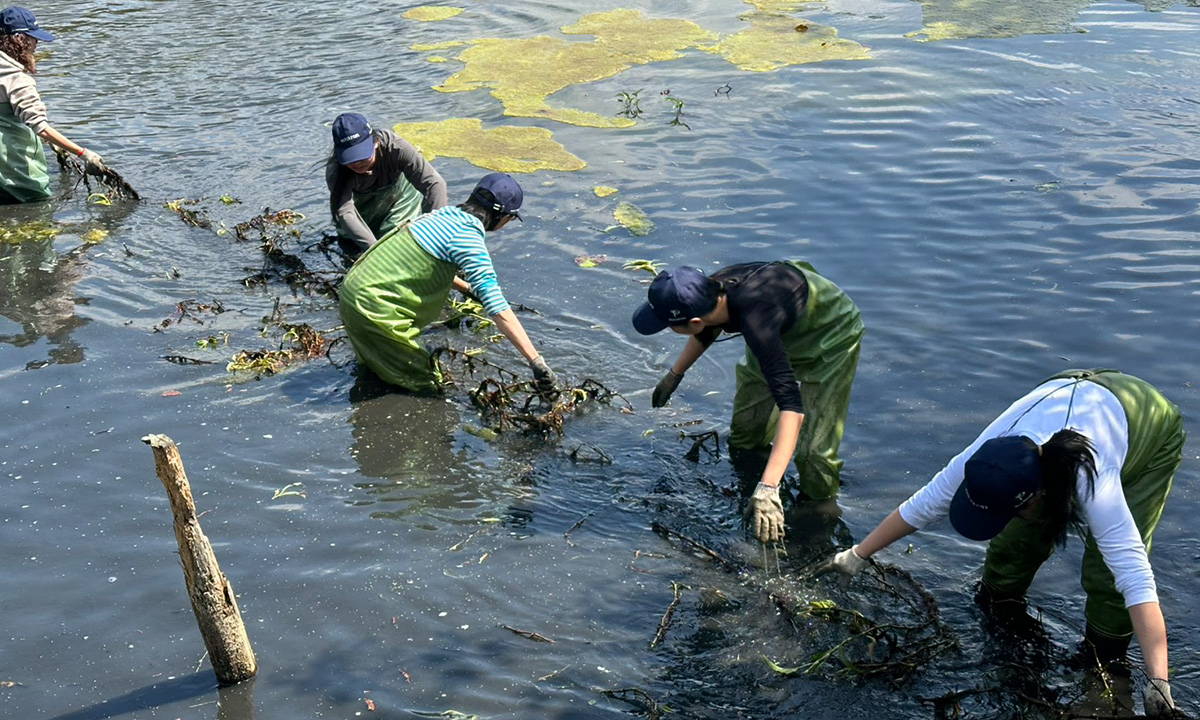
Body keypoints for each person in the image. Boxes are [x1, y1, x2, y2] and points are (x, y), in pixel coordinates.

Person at [820, 369, 1183, 717]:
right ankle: (1003, 610)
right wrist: (856, 555)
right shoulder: (985, 458)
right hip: (1063, 397)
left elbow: (1135, 578)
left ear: (1034, 497)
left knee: (1108, 576)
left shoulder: (1095, 484)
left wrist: (1158, 681)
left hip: (1145, 428)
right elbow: (922, 506)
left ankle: (1103, 663)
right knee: (1013, 547)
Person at [632, 261, 864, 543]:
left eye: (668, 325)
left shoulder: (756, 321)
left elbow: (791, 405)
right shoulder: (710, 289)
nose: (667, 329)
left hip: (829, 334)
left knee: (814, 454)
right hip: (775, 327)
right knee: (745, 430)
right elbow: (707, 327)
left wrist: (768, 487)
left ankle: (818, 521)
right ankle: (752, 484)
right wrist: (674, 374)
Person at [339, 172, 555, 394]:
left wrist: (468, 289)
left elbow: (425, 265)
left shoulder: (439, 216)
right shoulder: (468, 237)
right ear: (503, 216)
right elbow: (498, 308)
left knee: (376, 368)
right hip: (374, 309)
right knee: (427, 384)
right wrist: (535, 360)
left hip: (352, 294)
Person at [0, 6, 106, 204]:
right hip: (12, 165)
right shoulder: (16, 78)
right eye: (32, 38)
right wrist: (84, 154)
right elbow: (40, 127)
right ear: (19, 40)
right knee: (38, 209)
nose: (36, 43)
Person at [326, 112, 448, 257]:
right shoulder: (335, 170)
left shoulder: (396, 148)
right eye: (350, 159)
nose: (357, 163)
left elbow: (434, 183)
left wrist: (433, 233)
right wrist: (374, 252)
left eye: (362, 156)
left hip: (398, 198)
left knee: (401, 241)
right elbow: (345, 213)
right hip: (362, 208)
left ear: (375, 143)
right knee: (353, 246)